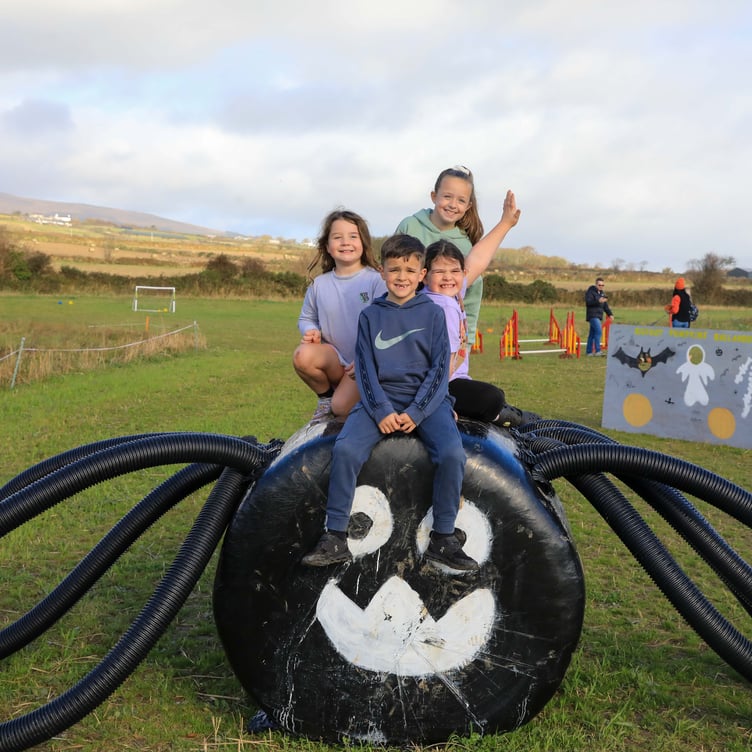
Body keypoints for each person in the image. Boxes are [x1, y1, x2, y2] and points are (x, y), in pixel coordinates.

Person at [302, 233, 477, 572]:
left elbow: (441, 369)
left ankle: (444, 538)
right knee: (346, 450)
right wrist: (382, 411)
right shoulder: (371, 315)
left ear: (422, 274)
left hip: (428, 401)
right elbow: (364, 370)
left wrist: (417, 411)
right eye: (394, 269)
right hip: (378, 399)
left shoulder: (433, 313)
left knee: (453, 453)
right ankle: (334, 536)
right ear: (382, 272)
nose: (402, 277)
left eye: (410, 270)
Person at [422, 191, 539, 427]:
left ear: (463, 275)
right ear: (424, 276)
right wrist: (437, 401)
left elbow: (478, 258)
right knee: (491, 398)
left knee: (492, 395)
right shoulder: (429, 302)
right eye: (439, 272)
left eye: (454, 271)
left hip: (454, 380)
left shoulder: (453, 293)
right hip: (435, 385)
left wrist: (505, 223)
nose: (447, 277)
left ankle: (505, 413)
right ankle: (504, 417)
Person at [293, 209, 387, 421]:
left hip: (365, 362)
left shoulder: (375, 281)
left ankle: (354, 400)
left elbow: (386, 324)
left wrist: (367, 357)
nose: (346, 242)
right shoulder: (319, 284)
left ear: (363, 243)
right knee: (302, 356)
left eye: (353, 236)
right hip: (335, 360)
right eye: (337, 237)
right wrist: (311, 331)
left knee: (342, 408)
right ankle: (325, 398)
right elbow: (306, 318)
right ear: (327, 246)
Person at [395, 165, 486, 349]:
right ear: (434, 196)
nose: (453, 204)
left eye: (461, 200)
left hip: (443, 337)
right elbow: (392, 272)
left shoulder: (465, 246)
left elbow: (469, 299)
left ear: (468, 206)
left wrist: (465, 344)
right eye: (447, 196)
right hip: (404, 325)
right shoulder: (410, 226)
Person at [584, 277, 614, 356]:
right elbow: (588, 302)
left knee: (592, 334)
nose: (601, 286)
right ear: (596, 284)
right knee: (598, 331)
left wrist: (610, 314)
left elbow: (605, 306)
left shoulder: (602, 293)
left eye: (602, 285)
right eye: (599, 285)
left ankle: (589, 352)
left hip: (599, 315)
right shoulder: (590, 292)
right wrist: (598, 301)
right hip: (592, 315)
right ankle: (598, 351)